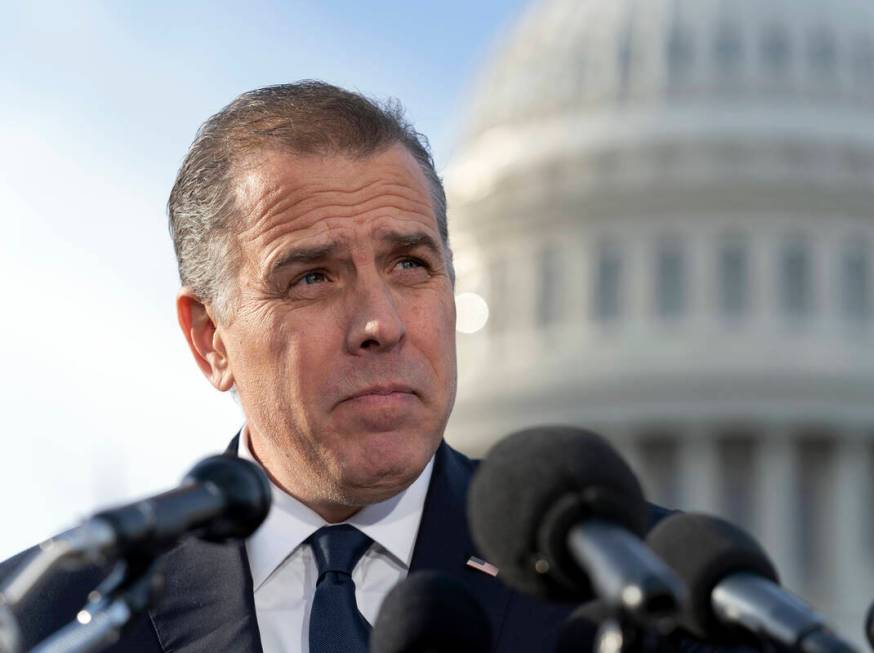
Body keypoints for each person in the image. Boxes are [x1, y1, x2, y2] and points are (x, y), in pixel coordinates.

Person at [0, 81, 674, 652]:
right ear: (211, 338)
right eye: (313, 277)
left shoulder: (652, 593)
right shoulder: (45, 620)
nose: (381, 323)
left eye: (410, 264)